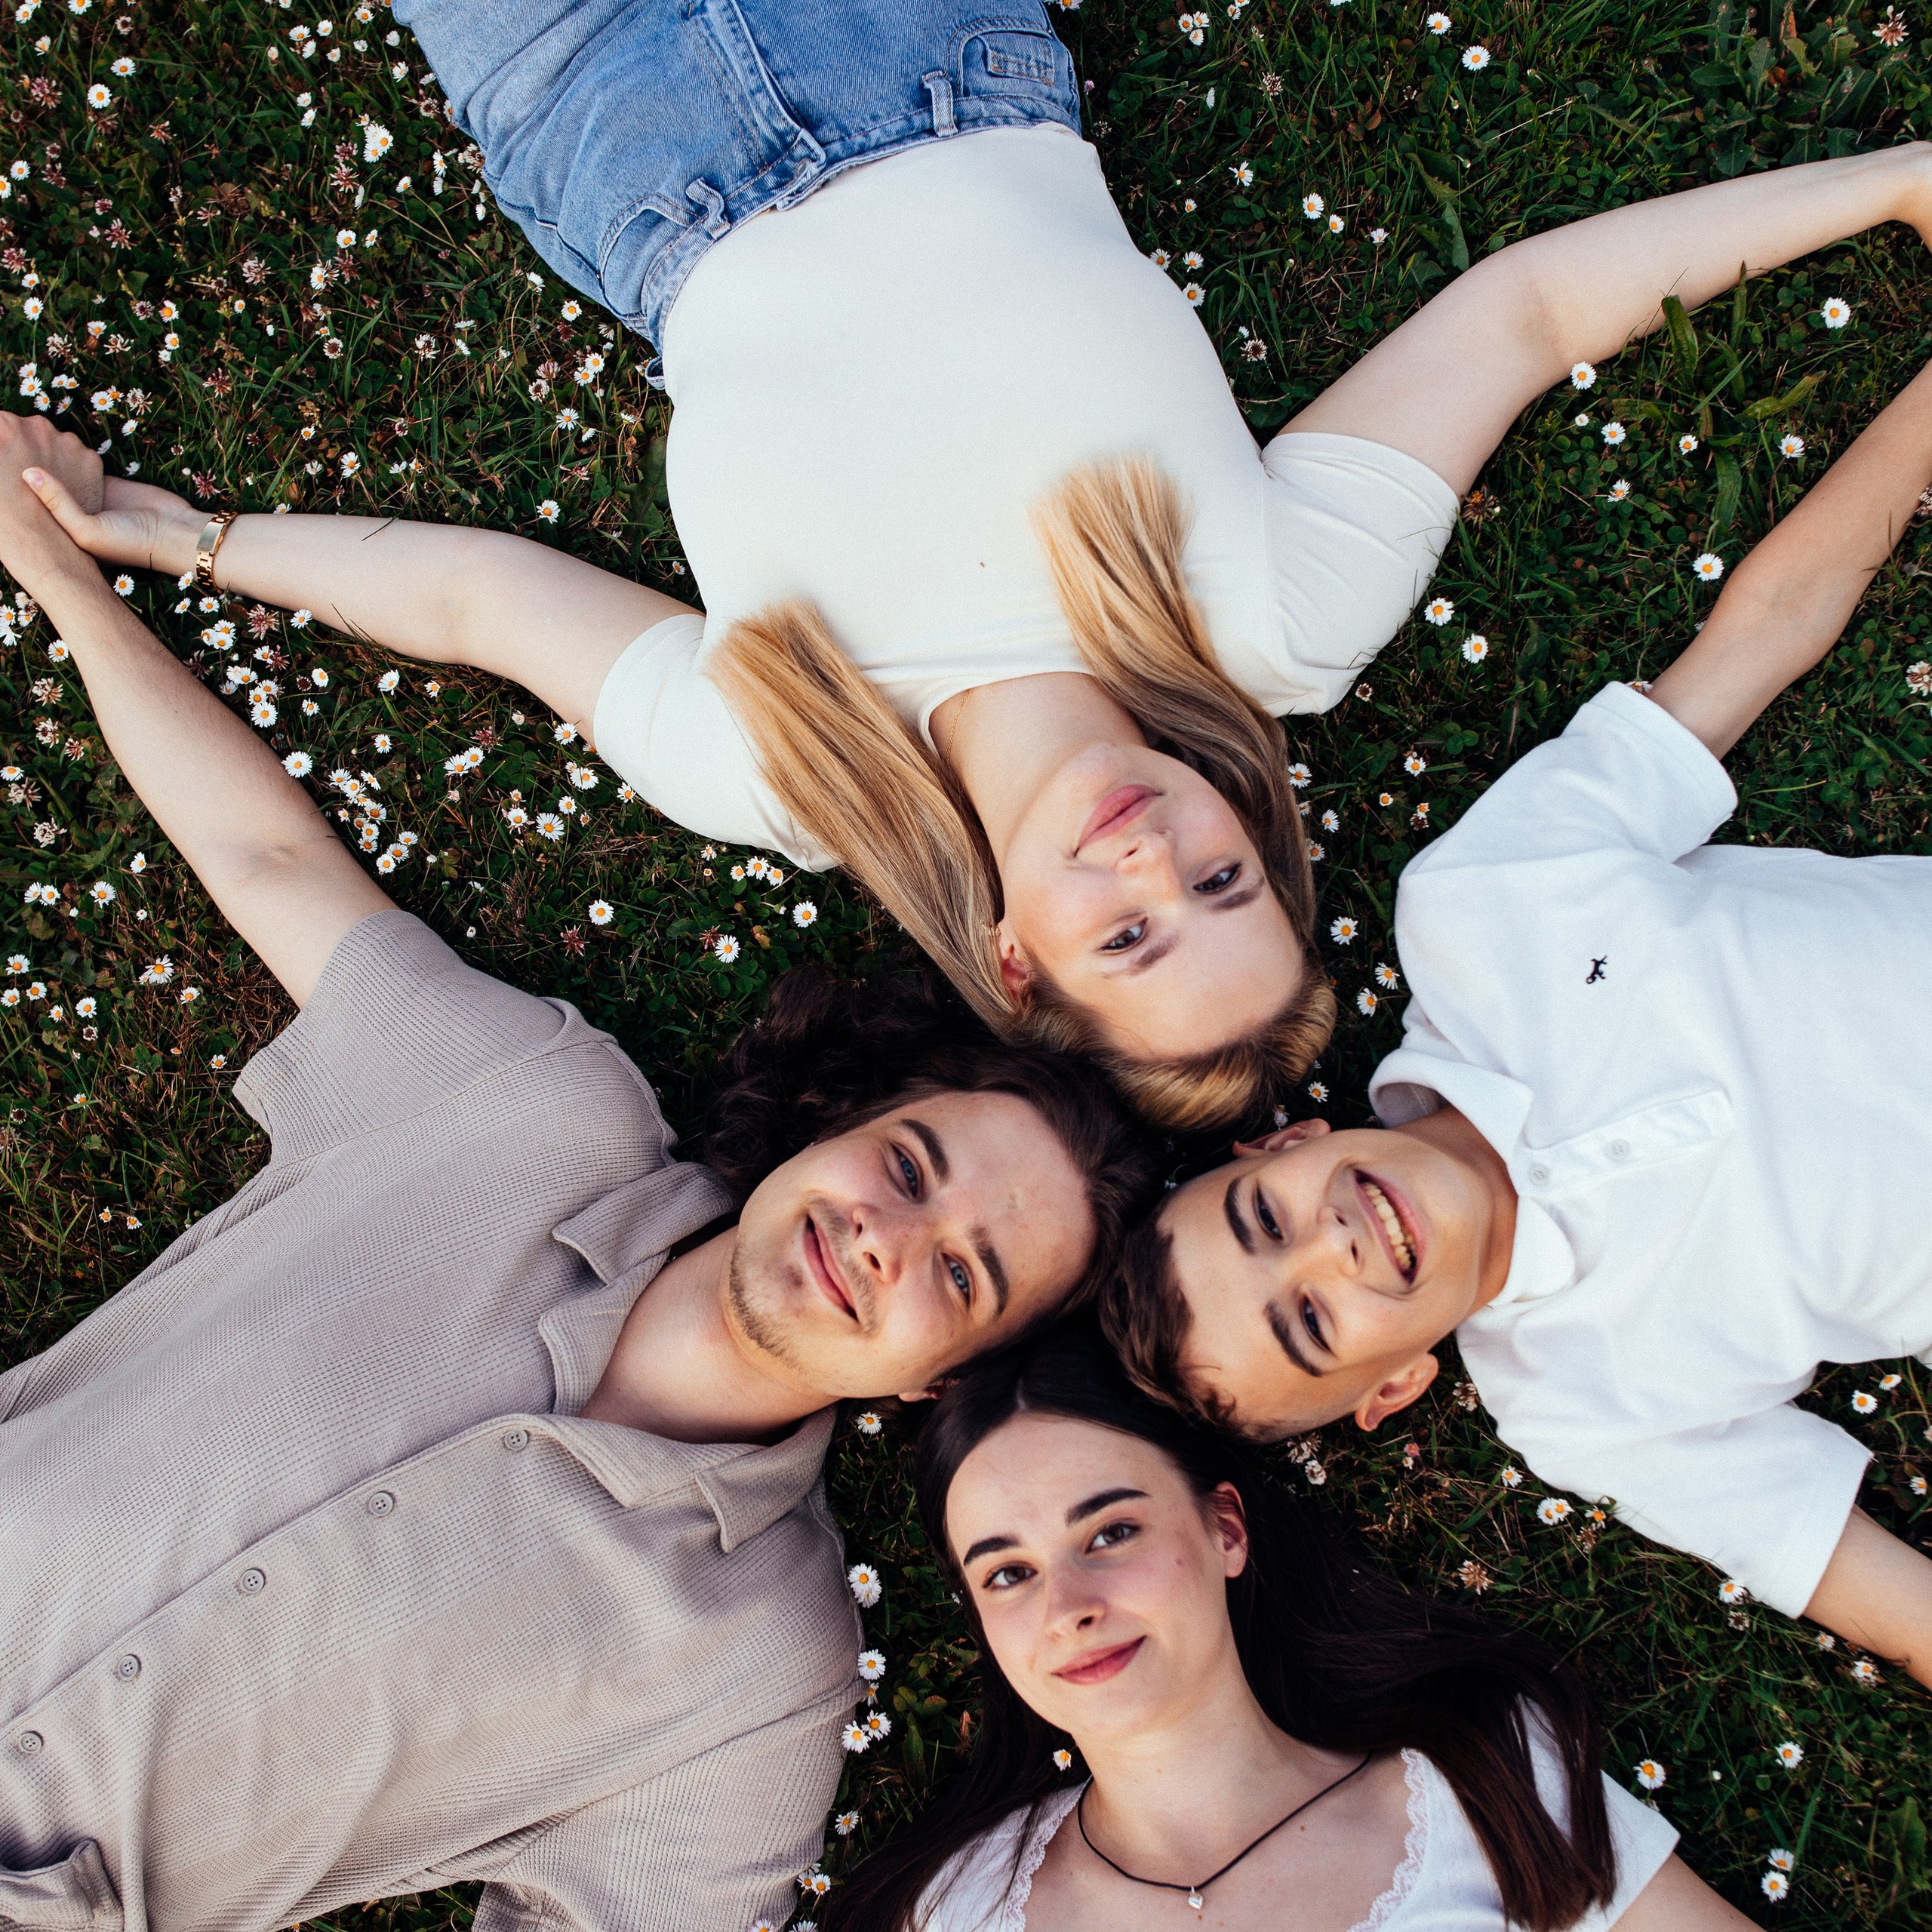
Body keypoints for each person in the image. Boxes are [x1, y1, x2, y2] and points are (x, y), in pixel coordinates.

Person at [51, 5, 1932, 1127]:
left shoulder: (781, 766)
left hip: (596, 112)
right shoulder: (1272, 618)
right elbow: (1520, 314)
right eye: (1220, 876)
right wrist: (1889, 184)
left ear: (1021, 964)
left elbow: (480, 606)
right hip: (922, 51)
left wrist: (192, 538)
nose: (1151, 855)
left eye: (1131, 930)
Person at [0, 413, 1161, 1932]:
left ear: (942, 1375)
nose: (884, 1236)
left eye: (958, 1272)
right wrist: (62, 570)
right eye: (909, 1162)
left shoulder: (760, 1673)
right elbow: (272, 864)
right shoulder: (530, 1111)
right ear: (838, 1117)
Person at [1100, 352, 1932, 1687]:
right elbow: (1869, 1583)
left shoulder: (1480, 914)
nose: (1333, 1246)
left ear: (1279, 1146)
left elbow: (1765, 629)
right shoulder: (1584, 1413)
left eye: (1267, 1219)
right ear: (1392, 1393)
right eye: (1310, 1323)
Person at [823, 1323, 1749, 1932]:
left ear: (1225, 1528)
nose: (1069, 1607)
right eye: (1009, 1572)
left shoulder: (1486, 1776)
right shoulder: (954, 1909)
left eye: (1111, 1531)